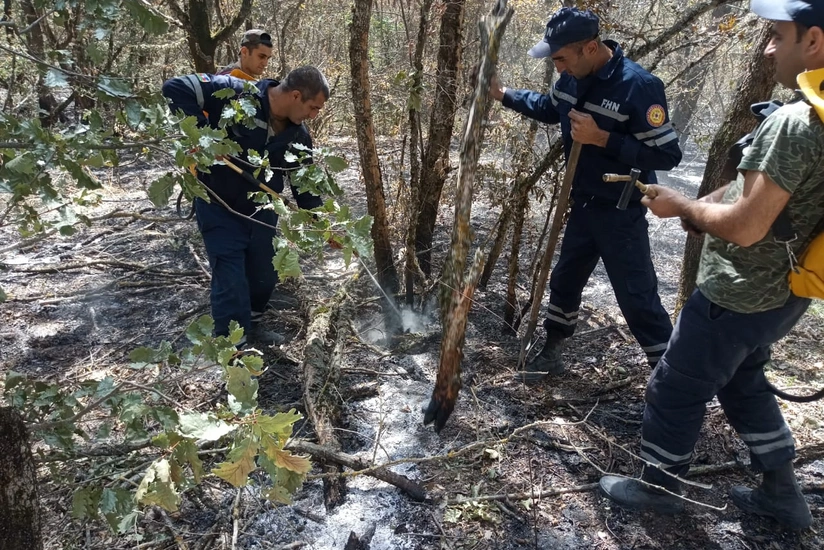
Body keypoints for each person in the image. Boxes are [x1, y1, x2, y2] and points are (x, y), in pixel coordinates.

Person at [599, 0, 824, 530]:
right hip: (788, 291)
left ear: (812, 41)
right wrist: (698, 209)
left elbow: (747, 227)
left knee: (674, 385)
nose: (768, 47)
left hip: (740, 291)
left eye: (776, 34)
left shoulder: (797, 121)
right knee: (743, 379)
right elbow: (762, 196)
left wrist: (683, 208)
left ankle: (659, 485)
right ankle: (782, 493)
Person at [488, 7, 682, 381]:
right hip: (583, 206)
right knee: (565, 279)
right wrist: (504, 95)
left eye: (561, 58)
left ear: (590, 48)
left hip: (620, 211)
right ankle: (552, 351)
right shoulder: (570, 80)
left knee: (637, 297)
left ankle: (671, 380)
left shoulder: (638, 87)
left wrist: (603, 138)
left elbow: (667, 155)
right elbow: (550, 108)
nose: (557, 67)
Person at [162, 66, 329, 347]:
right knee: (231, 276)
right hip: (218, 202)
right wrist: (205, 137)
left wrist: (322, 222)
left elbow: (305, 185)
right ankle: (232, 349)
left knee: (264, 272)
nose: (313, 115)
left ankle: (252, 324)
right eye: (313, 108)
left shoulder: (299, 135)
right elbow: (175, 87)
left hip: (262, 210)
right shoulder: (237, 93)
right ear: (296, 95)